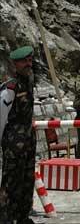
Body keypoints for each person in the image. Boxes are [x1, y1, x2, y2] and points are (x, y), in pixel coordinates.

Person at [0, 46, 36, 224]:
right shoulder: (10, 88)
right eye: (24, 61)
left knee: (27, 182)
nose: (28, 64)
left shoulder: (29, 82)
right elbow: (1, 117)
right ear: (15, 63)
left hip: (28, 141)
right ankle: (6, 219)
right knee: (11, 184)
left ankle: (22, 217)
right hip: (14, 144)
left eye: (30, 60)